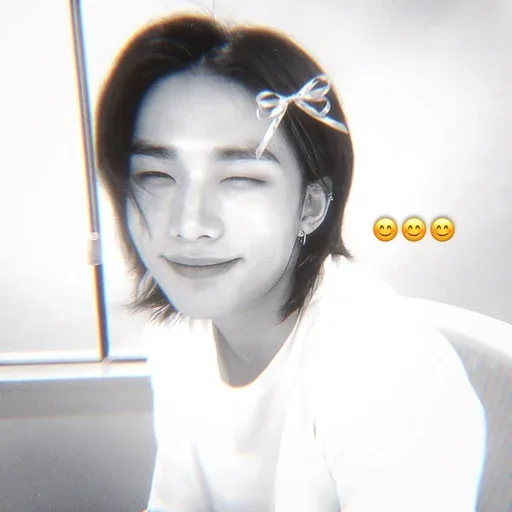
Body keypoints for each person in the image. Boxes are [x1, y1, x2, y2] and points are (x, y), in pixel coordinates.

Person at [95, 13, 486, 512]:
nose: (190, 225)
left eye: (241, 179)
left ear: (311, 205)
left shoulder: (384, 370)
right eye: (156, 175)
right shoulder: (180, 330)